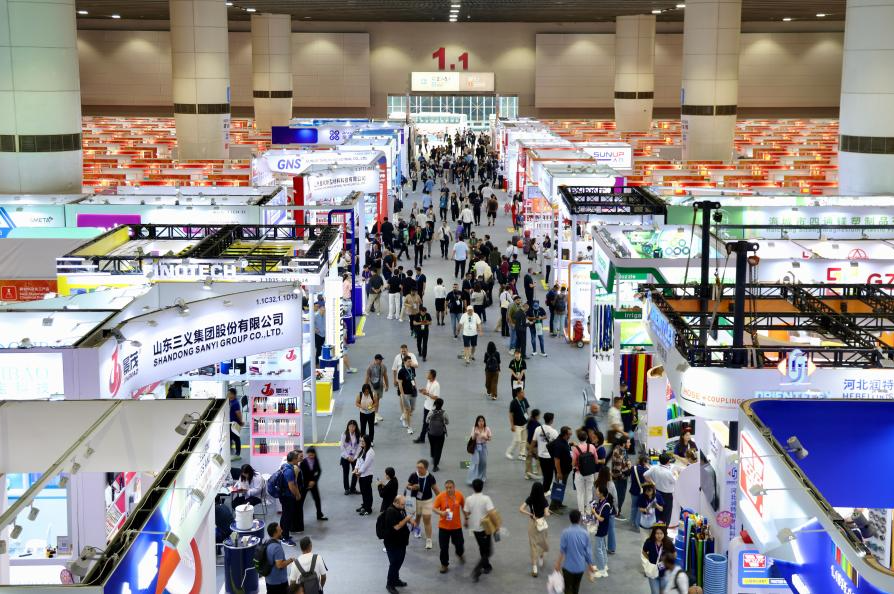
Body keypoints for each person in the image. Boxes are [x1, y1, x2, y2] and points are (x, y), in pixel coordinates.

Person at [555, 510, 597, 594]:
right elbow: (588, 552)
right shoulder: (585, 534)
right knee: (576, 587)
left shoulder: (565, 533)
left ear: (570, 519)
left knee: (567, 588)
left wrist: (558, 564)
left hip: (568, 567)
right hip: (580, 567)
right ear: (580, 519)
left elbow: (562, 551)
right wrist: (590, 566)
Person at [464, 478, 495, 582]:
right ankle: (477, 569)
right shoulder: (486, 499)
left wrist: (466, 520)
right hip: (485, 528)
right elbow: (491, 513)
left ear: (473, 487)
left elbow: (466, 512)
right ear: (482, 487)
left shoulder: (468, 499)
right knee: (488, 551)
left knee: (482, 547)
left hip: (475, 528)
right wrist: (496, 525)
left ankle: (486, 566)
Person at [383, 496, 415, 594]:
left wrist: (410, 521)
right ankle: (390, 584)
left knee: (399, 561)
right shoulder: (390, 512)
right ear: (396, 502)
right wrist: (407, 519)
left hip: (401, 541)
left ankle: (396, 580)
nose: (404, 506)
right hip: (392, 543)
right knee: (394, 563)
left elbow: (403, 517)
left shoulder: (400, 508)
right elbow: (396, 527)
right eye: (402, 504)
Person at [432, 479, 466, 573]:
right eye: (446, 488)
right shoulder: (441, 496)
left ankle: (460, 554)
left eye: (450, 487)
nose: (448, 489)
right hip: (443, 527)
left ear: (454, 487)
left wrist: (466, 518)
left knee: (459, 545)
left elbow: (464, 507)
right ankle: (444, 565)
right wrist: (441, 512)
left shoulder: (459, 495)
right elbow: (434, 508)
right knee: (443, 547)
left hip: (456, 527)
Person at [406, 459, 440, 550]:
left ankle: (429, 540)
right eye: (417, 467)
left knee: (427, 520)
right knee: (417, 517)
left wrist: (442, 500)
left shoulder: (430, 477)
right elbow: (407, 486)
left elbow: (436, 490)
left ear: (426, 468)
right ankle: (417, 530)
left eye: (421, 468)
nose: (418, 469)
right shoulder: (413, 475)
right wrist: (412, 487)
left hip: (427, 501)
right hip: (415, 501)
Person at [519, 481, 550, 577]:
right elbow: (546, 514)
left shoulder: (530, 498)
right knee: (543, 542)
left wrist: (530, 514)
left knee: (533, 545)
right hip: (542, 524)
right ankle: (541, 557)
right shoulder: (544, 500)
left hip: (533, 523)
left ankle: (534, 568)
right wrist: (548, 512)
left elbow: (521, 509)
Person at [570, 429, 598, 515]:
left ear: (578, 438)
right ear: (586, 437)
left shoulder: (575, 449)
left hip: (579, 473)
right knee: (589, 492)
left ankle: (581, 512)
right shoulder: (592, 447)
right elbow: (596, 461)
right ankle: (589, 511)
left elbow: (573, 463)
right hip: (590, 473)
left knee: (580, 493)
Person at [645, 453, 677, 526]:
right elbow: (675, 481)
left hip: (657, 493)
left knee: (658, 512)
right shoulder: (668, 472)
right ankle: (664, 529)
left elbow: (645, 475)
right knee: (666, 514)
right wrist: (675, 474)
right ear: (668, 462)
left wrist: (653, 483)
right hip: (667, 496)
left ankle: (657, 528)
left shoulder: (654, 468)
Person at [264, 522, 296, 594]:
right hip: (278, 582)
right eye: (280, 530)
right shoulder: (277, 547)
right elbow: (279, 565)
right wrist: (291, 560)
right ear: (275, 533)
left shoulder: (267, 542)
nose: (282, 531)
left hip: (269, 579)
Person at [280, 450, 304, 545]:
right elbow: (292, 486)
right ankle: (285, 538)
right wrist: (297, 495)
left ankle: (282, 533)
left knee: (285, 515)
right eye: (297, 458)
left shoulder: (284, 466)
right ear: (293, 459)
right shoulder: (290, 471)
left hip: (283, 495)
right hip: (287, 497)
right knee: (287, 517)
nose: (298, 459)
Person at [298, 447, 328, 522]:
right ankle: (299, 518)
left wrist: (314, 481)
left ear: (314, 454)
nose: (311, 456)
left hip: (313, 484)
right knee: (301, 501)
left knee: (317, 499)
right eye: (309, 455)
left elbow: (319, 471)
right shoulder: (303, 462)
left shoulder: (316, 460)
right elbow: (301, 475)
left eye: (312, 455)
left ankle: (319, 515)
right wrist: (308, 482)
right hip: (305, 484)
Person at [642, 524, 674, 594]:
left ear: (664, 533)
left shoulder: (668, 542)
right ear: (654, 533)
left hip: (665, 573)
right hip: (652, 571)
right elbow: (644, 552)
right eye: (657, 533)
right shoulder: (649, 542)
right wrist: (650, 559)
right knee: (655, 592)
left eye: (661, 533)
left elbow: (674, 554)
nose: (659, 536)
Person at [590, 484, 613, 578]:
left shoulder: (606, 505)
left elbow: (601, 519)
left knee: (597, 550)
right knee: (602, 547)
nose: (596, 492)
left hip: (601, 529)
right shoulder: (601, 501)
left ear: (601, 493)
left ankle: (602, 570)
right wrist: (595, 510)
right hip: (602, 529)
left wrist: (594, 513)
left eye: (597, 490)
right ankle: (604, 565)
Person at [533, 412, 559, 492]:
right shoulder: (554, 432)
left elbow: (533, 441)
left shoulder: (538, 429)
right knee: (549, 475)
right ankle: (545, 490)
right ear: (551, 420)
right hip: (550, 457)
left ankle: (545, 488)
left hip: (541, 455)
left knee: (545, 473)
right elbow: (557, 445)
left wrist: (531, 452)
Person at [549, 426, 573, 514]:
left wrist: (570, 445)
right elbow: (557, 459)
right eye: (569, 434)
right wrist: (559, 473)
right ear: (565, 434)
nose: (570, 435)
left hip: (565, 469)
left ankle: (558, 503)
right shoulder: (559, 444)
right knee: (558, 488)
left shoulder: (563, 440)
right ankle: (553, 507)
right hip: (561, 471)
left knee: (561, 487)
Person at [415, 369, 441, 444]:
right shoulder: (429, 381)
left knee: (428, 423)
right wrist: (423, 390)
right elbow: (427, 390)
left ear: (432, 375)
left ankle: (423, 438)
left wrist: (426, 394)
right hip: (426, 405)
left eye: (428, 374)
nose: (426, 375)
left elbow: (436, 397)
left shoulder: (436, 385)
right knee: (426, 423)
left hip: (432, 408)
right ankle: (423, 438)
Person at [505, 386, 531, 460]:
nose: (524, 393)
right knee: (517, 440)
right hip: (517, 425)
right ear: (518, 393)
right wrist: (512, 425)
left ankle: (521, 454)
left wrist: (528, 419)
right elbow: (511, 414)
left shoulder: (524, 399)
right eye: (522, 392)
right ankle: (509, 452)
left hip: (524, 424)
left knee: (524, 440)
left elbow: (526, 410)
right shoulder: (513, 402)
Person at [353, 434, 375, 515]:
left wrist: (358, 472)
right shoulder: (363, 450)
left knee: (367, 492)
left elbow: (366, 464)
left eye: (363, 441)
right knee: (363, 492)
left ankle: (368, 509)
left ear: (367, 442)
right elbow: (358, 460)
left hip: (367, 475)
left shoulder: (370, 452)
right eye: (361, 441)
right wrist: (356, 468)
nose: (361, 442)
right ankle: (364, 505)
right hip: (361, 475)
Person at [611, 437, 633, 521]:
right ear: (624, 444)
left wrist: (628, 467)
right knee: (620, 496)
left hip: (622, 477)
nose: (630, 444)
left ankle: (617, 511)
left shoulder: (622, 450)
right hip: (620, 479)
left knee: (620, 495)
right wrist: (626, 472)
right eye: (628, 442)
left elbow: (626, 461)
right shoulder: (618, 453)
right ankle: (617, 513)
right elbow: (617, 470)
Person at [467, 415, 492, 485]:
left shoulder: (487, 429)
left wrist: (485, 437)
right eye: (479, 421)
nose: (481, 422)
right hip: (476, 447)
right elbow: (472, 438)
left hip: (483, 446)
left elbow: (490, 438)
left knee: (483, 462)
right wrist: (475, 434)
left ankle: (482, 477)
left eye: (482, 421)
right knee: (475, 462)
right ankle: (472, 479)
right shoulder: (474, 428)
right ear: (477, 422)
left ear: (484, 422)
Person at [397, 355, 418, 435]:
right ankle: (409, 427)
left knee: (413, 409)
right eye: (408, 361)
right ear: (404, 362)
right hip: (405, 394)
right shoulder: (401, 371)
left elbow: (413, 378)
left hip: (413, 392)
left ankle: (403, 416)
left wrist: (416, 388)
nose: (410, 363)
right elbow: (400, 384)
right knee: (408, 410)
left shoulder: (412, 369)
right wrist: (402, 394)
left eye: (410, 361)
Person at [629, 454, 651, 532]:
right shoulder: (646, 470)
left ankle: (631, 521)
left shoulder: (633, 468)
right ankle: (637, 523)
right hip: (642, 491)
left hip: (633, 490)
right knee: (640, 508)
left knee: (633, 506)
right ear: (644, 462)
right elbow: (648, 480)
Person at [365, 354, 388, 425]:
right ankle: (372, 415)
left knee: (377, 400)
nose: (381, 361)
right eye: (380, 360)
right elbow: (367, 377)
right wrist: (365, 388)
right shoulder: (370, 367)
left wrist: (387, 385)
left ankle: (376, 413)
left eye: (381, 360)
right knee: (374, 400)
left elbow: (385, 376)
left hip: (380, 386)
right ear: (375, 360)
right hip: (372, 386)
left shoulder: (383, 366)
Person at [339, 420, 361, 495]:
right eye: (350, 426)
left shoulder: (358, 435)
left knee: (355, 472)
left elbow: (359, 447)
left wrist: (355, 457)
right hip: (345, 457)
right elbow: (342, 447)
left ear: (356, 427)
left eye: (353, 426)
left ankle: (353, 488)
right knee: (346, 473)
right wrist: (348, 457)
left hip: (354, 457)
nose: (352, 428)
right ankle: (346, 489)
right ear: (348, 427)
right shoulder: (344, 434)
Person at [427, 398, 449, 471]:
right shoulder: (444, 413)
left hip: (431, 433)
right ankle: (435, 466)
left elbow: (426, 421)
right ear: (442, 405)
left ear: (435, 404)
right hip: (440, 434)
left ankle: (433, 456)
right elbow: (447, 422)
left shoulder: (431, 412)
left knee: (432, 445)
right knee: (438, 449)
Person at [524, 409, 543, 480]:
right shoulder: (538, 425)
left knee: (529, 459)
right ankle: (539, 473)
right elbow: (536, 437)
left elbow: (528, 433)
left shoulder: (529, 422)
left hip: (528, 443)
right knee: (539, 459)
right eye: (539, 415)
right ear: (537, 416)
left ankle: (528, 474)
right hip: (535, 446)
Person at [228, 387, 243, 460]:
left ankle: (237, 454)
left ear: (233, 394)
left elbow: (238, 413)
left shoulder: (235, 403)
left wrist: (240, 421)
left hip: (234, 423)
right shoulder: (230, 401)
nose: (228, 395)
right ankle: (230, 452)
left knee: (236, 438)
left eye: (229, 393)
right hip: (230, 423)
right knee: (230, 437)